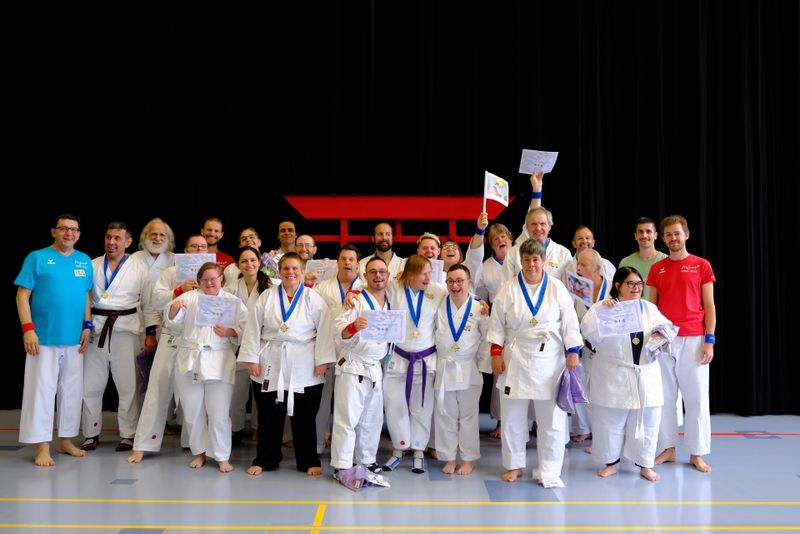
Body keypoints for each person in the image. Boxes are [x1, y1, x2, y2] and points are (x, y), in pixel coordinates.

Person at [488, 239, 583, 487]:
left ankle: (550, 470)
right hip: (516, 357)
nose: (531, 264)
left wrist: (573, 350)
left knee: (551, 418)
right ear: (521, 261)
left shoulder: (557, 288)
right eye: (527, 260)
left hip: (550, 358)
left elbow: (569, 322)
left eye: (536, 259)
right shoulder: (508, 288)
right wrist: (496, 353)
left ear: (543, 261)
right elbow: (496, 324)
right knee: (512, 417)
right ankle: (514, 465)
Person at [238, 252, 336, 476]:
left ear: (302, 272)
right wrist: (251, 358)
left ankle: (308, 459)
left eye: (295, 269)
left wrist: (323, 360)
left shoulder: (313, 298)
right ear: (279, 271)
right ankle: (265, 458)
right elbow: (253, 327)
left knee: (305, 415)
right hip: (271, 358)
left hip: (305, 361)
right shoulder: (267, 297)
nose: (291, 273)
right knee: (269, 414)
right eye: (286, 269)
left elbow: (324, 329)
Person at [581, 266, 674, 482]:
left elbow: (667, 327)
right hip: (614, 372)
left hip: (645, 373)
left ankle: (645, 464)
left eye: (639, 284)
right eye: (630, 284)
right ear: (618, 286)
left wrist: (662, 335)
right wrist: (604, 312)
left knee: (647, 421)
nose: (636, 288)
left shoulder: (649, 308)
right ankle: (611, 463)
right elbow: (588, 334)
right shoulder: (601, 308)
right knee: (609, 420)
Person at [15, 214, 93, 466]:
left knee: (71, 392)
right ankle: (42, 446)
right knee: (42, 392)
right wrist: (28, 328)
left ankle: (66, 440)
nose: (69, 233)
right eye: (64, 229)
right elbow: (22, 296)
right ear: (53, 232)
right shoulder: (37, 257)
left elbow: (86, 296)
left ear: (79, 234)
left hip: (74, 339)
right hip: (43, 338)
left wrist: (87, 325)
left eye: (74, 229)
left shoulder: (84, 261)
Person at [126, 235, 210, 463]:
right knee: (158, 387)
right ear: (185, 249)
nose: (198, 249)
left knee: (195, 396)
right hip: (171, 336)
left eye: (202, 247)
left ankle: (196, 447)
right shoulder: (170, 273)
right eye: (194, 246)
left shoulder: (212, 275)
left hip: (197, 341)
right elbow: (155, 300)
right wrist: (178, 290)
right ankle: (143, 444)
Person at [647, 215, 716, 473]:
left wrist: (709, 340)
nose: (673, 238)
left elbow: (709, 305)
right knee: (664, 397)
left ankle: (697, 453)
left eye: (677, 233)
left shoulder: (701, 265)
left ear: (686, 234)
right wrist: (652, 340)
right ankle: (668, 448)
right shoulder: (657, 269)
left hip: (694, 338)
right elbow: (652, 307)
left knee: (696, 397)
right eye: (668, 235)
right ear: (663, 238)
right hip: (665, 339)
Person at [165, 262, 248, 472]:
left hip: (219, 360)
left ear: (222, 278)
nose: (209, 283)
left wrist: (231, 332)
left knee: (219, 412)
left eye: (213, 278)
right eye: (205, 280)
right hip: (190, 359)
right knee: (192, 411)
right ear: (199, 281)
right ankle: (199, 453)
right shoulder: (189, 297)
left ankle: (221, 456)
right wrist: (174, 310)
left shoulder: (233, 302)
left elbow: (247, 328)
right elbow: (171, 322)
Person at [80, 222, 152, 452]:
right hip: (97, 329)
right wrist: (86, 324)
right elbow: (84, 298)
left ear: (128, 242)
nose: (112, 242)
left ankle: (128, 434)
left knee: (128, 385)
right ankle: (90, 433)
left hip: (127, 329)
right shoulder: (92, 265)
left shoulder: (139, 268)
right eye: (109, 237)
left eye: (117, 238)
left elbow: (149, 303)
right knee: (90, 384)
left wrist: (151, 331)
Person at [381, 254, 448, 474]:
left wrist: (480, 302)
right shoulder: (393, 288)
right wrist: (352, 294)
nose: (429, 277)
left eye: (430, 273)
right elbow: (371, 290)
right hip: (398, 358)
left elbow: (461, 296)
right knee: (394, 404)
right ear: (409, 274)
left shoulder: (437, 290)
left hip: (425, 360)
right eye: (424, 274)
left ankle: (419, 450)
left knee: (422, 406)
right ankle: (399, 449)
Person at [330, 256, 391, 473]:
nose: (378, 276)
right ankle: (342, 464)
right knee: (347, 419)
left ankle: (366, 459)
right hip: (353, 365)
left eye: (382, 272)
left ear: (388, 275)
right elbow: (338, 331)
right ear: (365, 276)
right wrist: (354, 326)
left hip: (375, 367)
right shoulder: (355, 300)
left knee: (372, 419)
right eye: (373, 272)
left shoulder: (391, 300)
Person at [433, 264, 489, 475]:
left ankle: (467, 458)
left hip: (469, 366)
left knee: (468, 416)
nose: (455, 285)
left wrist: (481, 365)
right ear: (445, 283)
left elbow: (485, 339)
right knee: (445, 414)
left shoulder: (478, 309)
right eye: (451, 281)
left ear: (469, 283)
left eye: (459, 281)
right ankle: (448, 457)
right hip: (445, 365)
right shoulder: (439, 304)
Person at [311, 244, 363, 453]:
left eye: (351, 259)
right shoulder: (322, 287)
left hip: (354, 352)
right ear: (338, 263)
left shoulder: (366, 287)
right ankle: (318, 442)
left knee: (352, 401)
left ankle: (352, 447)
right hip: (326, 349)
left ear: (358, 265)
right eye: (344, 259)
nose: (347, 263)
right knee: (322, 398)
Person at [224, 246, 272, 445]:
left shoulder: (272, 285)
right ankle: (235, 429)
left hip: (265, 345)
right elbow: (227, 318)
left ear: (259, 262)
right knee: (237, 392)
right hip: (240, 345)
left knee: (262, 392)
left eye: (253, 260)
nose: (249, 264)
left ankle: (259, 429)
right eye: (244, 261)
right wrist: (233, 332)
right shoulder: (230, 289)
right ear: (238, 265)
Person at [474, 222, 515, 439]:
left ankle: (534, 422)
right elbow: (479, 293)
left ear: (511, 240)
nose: (500, 240)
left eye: (503, 237)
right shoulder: (485, 267)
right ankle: (500, 421)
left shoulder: (521, 261)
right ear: (491, 244)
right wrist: (482, 302)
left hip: (521, 323)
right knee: (501, 373)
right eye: (495, 238)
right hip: (499, 325)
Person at [568, 248, 613, 444]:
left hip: (607, 348)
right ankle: (585, 428)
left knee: (605, 391)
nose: (578, 268)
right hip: (584, 347)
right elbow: (570, 317)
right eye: (578, 264)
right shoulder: (575, 288)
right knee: (583, 388)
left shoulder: (613, 288)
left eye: (583, 264)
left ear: (597, 267)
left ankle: (604, 436)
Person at [618, 217, 667, 301]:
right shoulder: (625, 262)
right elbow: (619, 293)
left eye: (648, 231)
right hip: (632, 312)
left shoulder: (666, 260)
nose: (644, 235)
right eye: (640, 232)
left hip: (658, 313)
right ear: (635, 236)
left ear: (655, 235)